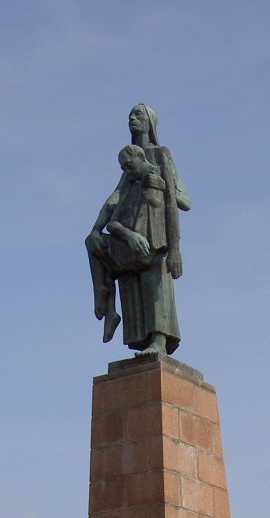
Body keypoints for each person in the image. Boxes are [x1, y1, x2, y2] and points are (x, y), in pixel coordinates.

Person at [86, 104, 190, 357]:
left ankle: (159, 340)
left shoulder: (160, 155)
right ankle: (107, 306)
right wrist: (97, 228)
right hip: (132, 236)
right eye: (130, 116)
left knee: (155, 282)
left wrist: (175, 249)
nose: (132, 118)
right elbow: (115, 197)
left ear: (150, 122)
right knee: (93, 242)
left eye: (138, 114)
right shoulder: (129, 162)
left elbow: (180, 201)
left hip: (157, 239)